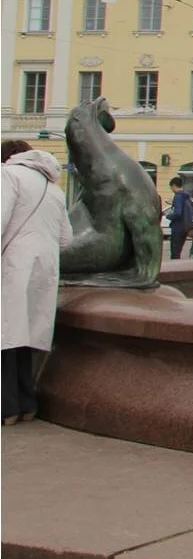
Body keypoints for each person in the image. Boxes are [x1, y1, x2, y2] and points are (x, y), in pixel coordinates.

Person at [2, 141, 73, 425]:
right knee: (25, 336)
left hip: (14, 264)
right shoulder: (54, 189)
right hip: (45, 268)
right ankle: (27, 403)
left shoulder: (8, 175)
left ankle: (6, 407)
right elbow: (66, 239)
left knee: (5, 334)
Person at [166, 176, 193, 260]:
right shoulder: (186, 195)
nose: (171, 189)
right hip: (185, 226)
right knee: (178, 250)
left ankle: (174, 269)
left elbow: (178, 212)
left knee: (175, 252)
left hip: (177, 227)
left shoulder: (178, 196)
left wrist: (169, 216)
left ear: (174, 185)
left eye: (171, 187)